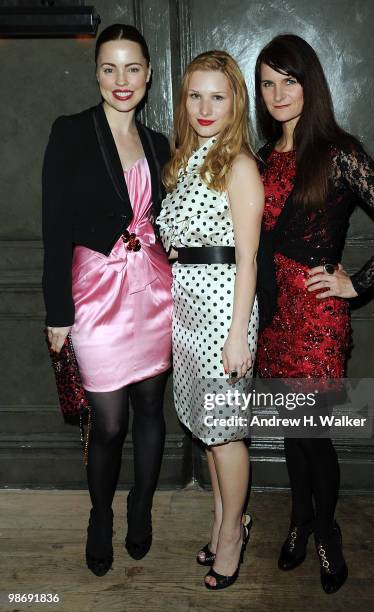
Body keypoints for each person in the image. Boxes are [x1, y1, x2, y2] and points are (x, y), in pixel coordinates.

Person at [254, 34, 374, 594]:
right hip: (272, 315)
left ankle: (327, 531)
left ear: (310, 85)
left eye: (289, 80)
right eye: (267, 83)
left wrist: (357, 282)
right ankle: (300, 521)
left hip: (317, 318)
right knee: (290, 433)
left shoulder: (339, 152)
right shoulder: (260, 157)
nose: (277, 93)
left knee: (314, 435)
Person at [42, 24, 173, 577]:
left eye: (133, 68)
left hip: (155, 290)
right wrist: (57, 314)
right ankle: (100, 514)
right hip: (95, 294)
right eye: (109, 68)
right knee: (110, 421)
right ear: (96, 73)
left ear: (148, 74)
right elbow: (54, 229)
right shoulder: (71, 132)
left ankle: (139, 506)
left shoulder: (161, 143)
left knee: (150, 408)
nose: (122, 80)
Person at [157, 50, 263, 589]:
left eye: (217, 96)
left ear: (234, 102)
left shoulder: (240, 164)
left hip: (225, 311)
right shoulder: (189, 157)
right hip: (190, 309)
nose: (204, 106)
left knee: (225, 436)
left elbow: (247, 258)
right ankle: (226, 521)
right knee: (208, 429)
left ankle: (231, 541)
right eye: (195, 95)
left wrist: (238, 335)